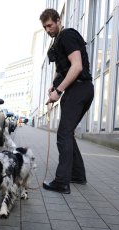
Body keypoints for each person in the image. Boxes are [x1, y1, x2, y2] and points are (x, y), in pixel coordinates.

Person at [40, 9, 94, 194]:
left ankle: (62, 182)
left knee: (63, 134)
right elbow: (62, 69)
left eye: (50, 25)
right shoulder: (57, 42)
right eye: (45, 27)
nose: (48, 29)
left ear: (58, 20)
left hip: (79, 89)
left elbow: (77, 66)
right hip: (82, 90)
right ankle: (78, 175)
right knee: (67, 133)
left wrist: (60, 91)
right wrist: (55, 87)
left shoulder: (67, 35)